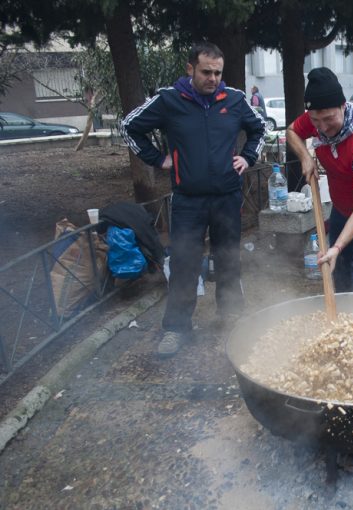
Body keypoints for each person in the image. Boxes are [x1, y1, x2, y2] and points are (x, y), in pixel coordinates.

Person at [121, 42, 266, 357]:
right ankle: (176, 329)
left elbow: (260, 128)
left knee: (228, 259)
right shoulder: (169, 100)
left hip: (228, 196)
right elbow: (129, 127)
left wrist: (248, 157)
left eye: (217, 72)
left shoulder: (236, 99)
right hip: (187, 199)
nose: (213, 79)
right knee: (186, 263)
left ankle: (231, 319)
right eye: (206, 72)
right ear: (190, 69)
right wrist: (158, 160)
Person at [286, 67, 353, 292]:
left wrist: (336, 246)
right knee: (339, 266)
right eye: (316, 121)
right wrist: (305, 157)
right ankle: (344, 320)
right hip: (342, 206)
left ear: (343, 106)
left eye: (329, 119)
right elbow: (291, 131)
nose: (323, 128)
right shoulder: (317, 118)